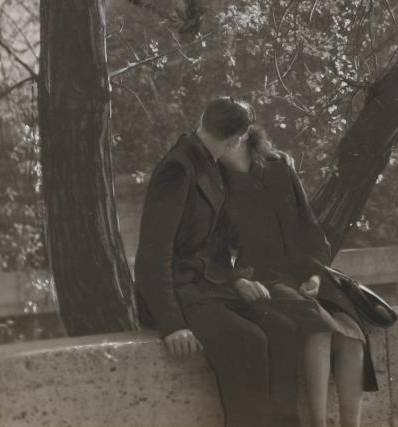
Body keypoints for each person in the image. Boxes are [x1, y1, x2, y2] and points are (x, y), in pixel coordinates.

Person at [134, 96, 301, 427]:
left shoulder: (208, 163)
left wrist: (237, 279)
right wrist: (172, 324)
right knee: (250, 342)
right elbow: (154, 253)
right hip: (182, 293)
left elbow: (219, 245)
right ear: (237, 138)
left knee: (284, 331)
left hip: (210, 287)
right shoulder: (178, 169)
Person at [219, 124, 377, 427]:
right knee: (317, 325)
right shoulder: (217, 182)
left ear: (242, 136)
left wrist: (316, 274)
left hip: (306, 270)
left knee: (353, 335)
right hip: (262, 278)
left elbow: (309, 226)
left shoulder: (279, 168)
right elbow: (217, 247)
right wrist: (237, 279)